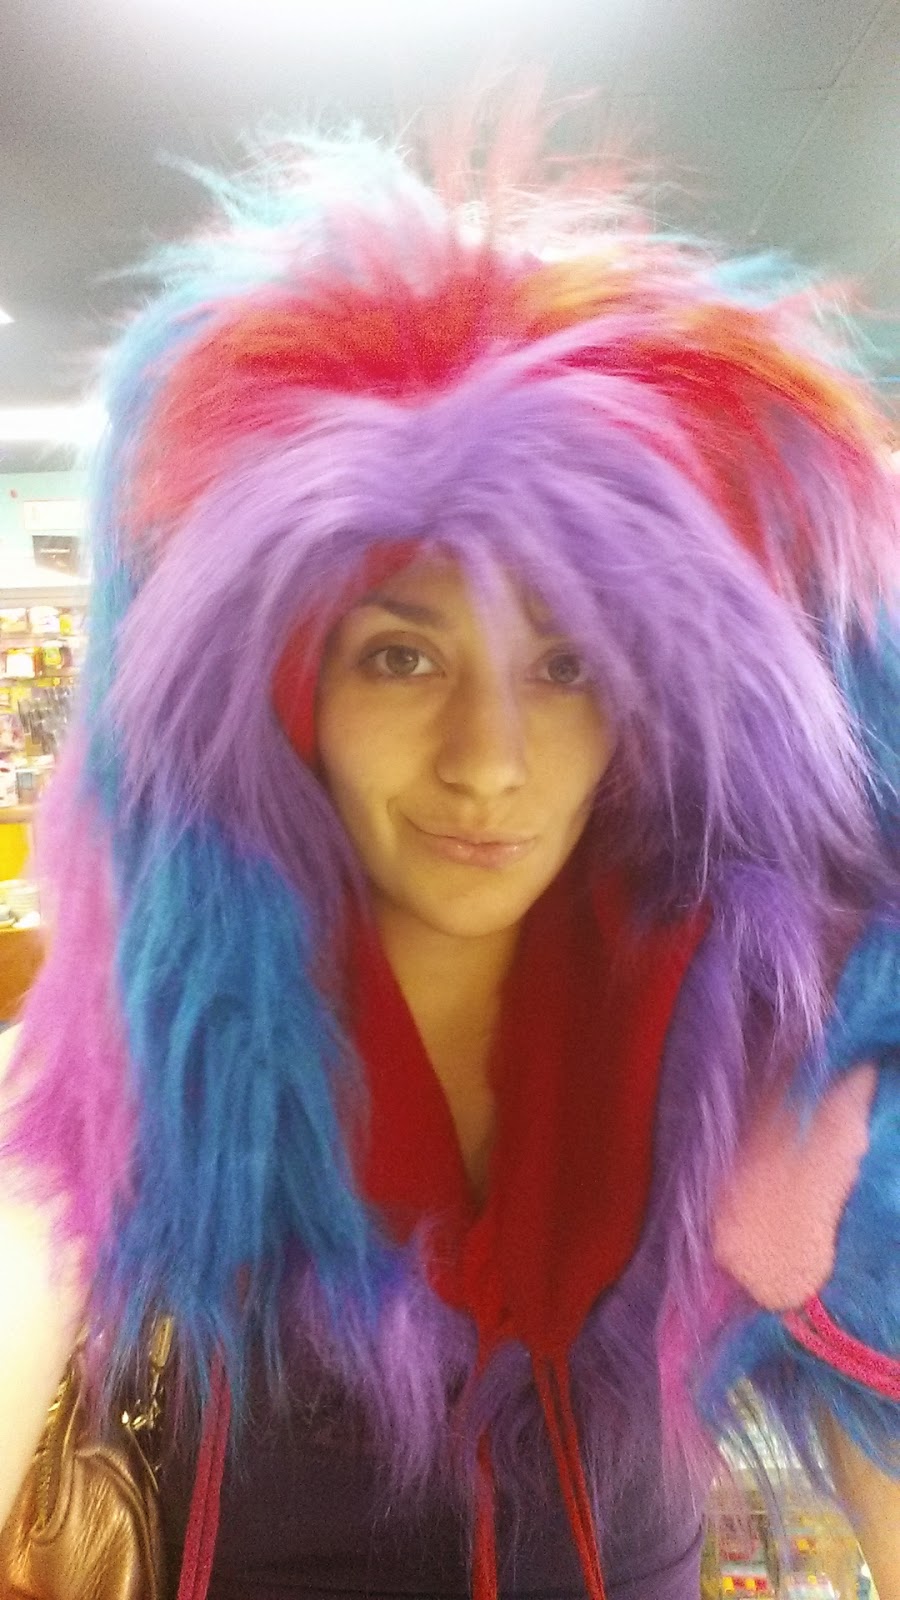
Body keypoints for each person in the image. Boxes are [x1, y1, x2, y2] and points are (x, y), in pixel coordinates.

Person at [1, 133, 899, 1600]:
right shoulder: (176, 1024)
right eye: (403, 656)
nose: (489, 764)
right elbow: (36, 1221)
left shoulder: (733, 1025)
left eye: (566, 666)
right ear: (295, 686)